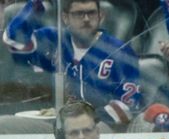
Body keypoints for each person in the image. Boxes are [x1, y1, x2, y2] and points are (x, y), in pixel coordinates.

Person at [2, 0, 142, 129]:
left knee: (86, 131)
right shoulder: (54, 40)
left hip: (98, 128)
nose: (86, 19)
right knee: (4, 124)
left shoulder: (119, 51)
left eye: (91, 13)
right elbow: (12, 39)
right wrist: (37, 4)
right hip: (55, 125)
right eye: (79, 14)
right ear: (65, 18)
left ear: (101, 16)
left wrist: (84, 119)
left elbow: (128, 105)